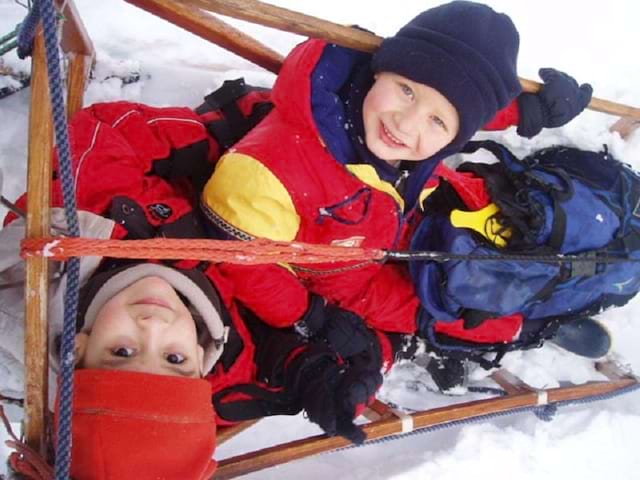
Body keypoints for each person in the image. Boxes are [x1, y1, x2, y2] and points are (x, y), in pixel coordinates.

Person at [197, 1, 592, 376]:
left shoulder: (390, 119)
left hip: (396, 211)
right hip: (344, 279)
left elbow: (453, 100)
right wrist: (309, 316)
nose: (407, 124)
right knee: (448, 309)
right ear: (378, 71)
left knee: (491, 229)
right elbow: (247, 268)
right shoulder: (266, 173)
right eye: (406, 91)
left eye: (437, 122)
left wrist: (527, 110)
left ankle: (548, 280)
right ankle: (529, 326)